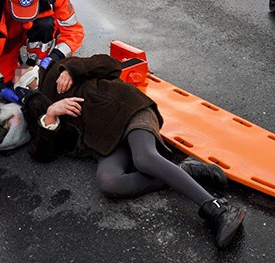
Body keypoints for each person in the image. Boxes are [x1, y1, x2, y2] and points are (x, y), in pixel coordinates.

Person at [23, 54, 247, 248]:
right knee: (109, 183)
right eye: (19, 81)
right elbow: (42, 154)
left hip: (128, 111)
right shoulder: (36, 109)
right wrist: (50, 116)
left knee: (144, 159)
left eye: (24, 72)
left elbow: (111, 64)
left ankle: (218, 209)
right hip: (107, 143)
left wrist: (72, 69)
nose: (23, 78)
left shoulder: (59, 68)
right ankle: (185, 170)